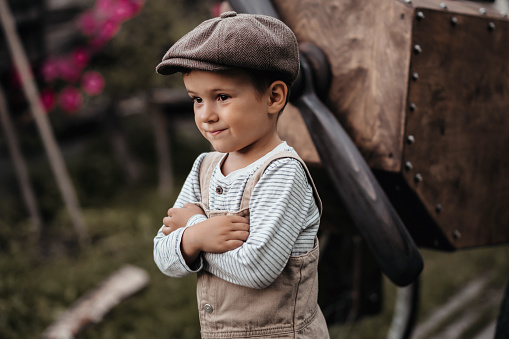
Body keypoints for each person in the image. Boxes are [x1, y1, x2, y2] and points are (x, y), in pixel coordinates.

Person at [153, 11, 329, 338]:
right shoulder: (204, 167)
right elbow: (162, 254)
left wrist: (192, 231)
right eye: (196, 99)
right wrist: (194, 237)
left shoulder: (281, 173)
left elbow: (257, 268)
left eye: (222, 97)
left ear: (274, 97)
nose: (206, 115)